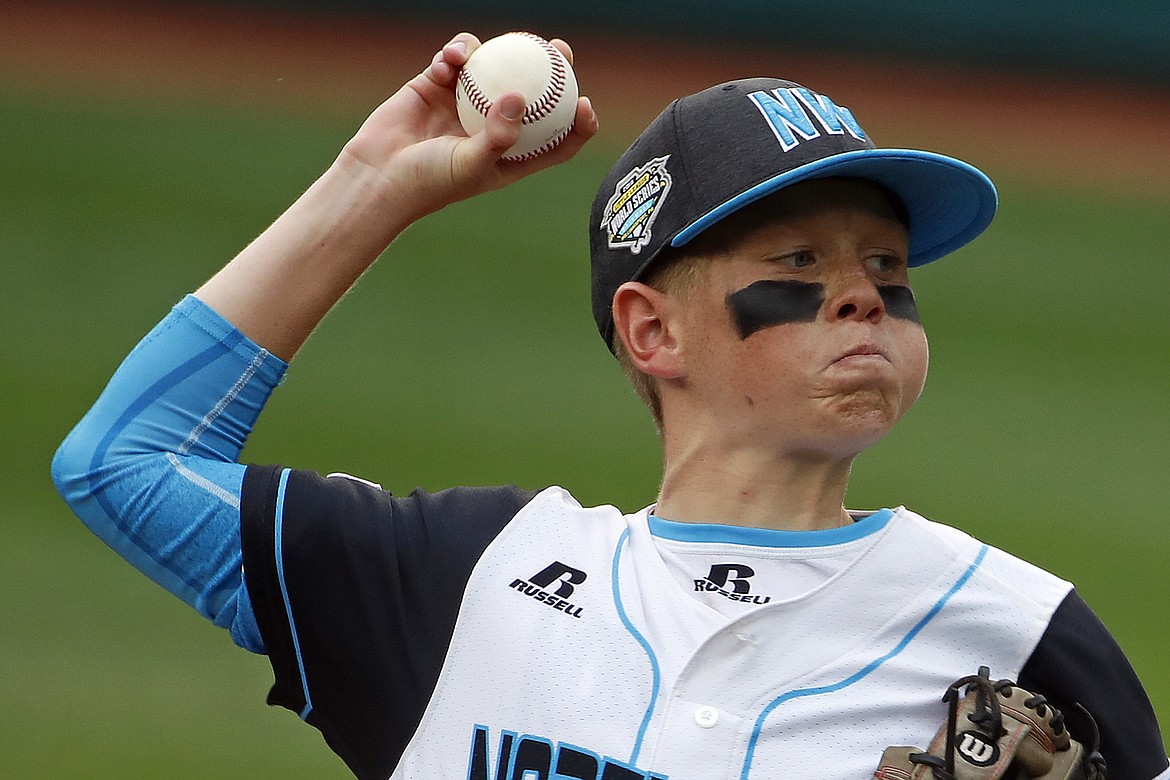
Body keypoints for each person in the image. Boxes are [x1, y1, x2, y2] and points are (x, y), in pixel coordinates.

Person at [52, 32, 1167, 780]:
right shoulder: (465, 580)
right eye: (800, 259)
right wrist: (375, 187)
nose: (863, 290)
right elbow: (124, 464)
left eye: (887, 263)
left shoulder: (1020, 632)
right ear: (652, 330)